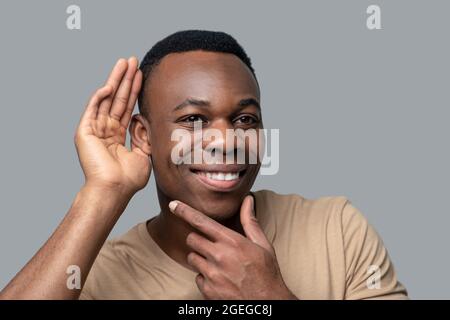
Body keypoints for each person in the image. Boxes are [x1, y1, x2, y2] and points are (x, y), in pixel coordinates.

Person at [0, 30, 407, 300]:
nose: (226, 141)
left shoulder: (336, 228)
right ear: (142, 136)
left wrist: (270, 300)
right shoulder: (89, 274)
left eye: (245, 119)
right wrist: (101, 194)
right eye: (193, 120)